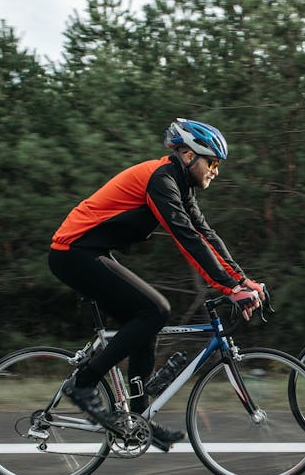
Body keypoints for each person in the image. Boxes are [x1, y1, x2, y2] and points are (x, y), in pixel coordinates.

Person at [48, 118, 263, 450]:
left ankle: (138, 422)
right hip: (72, 252)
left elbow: (206, 235)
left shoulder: (178, 184)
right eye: (212, 162)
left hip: (89, 251)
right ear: (188, 155)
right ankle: (84, 383)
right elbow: (186, 237)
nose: (215, 171)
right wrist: (228, 288)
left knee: (144, 324)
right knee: (156, 310)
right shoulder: (160, 180)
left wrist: (241, 280)